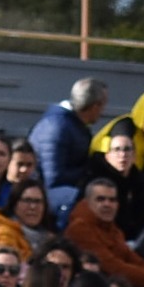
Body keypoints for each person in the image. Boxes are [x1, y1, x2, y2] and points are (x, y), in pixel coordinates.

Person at [29, 77, 108, 222]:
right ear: (95, 106)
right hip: (51, 203)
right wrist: (88, 171)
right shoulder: (57, 127)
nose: (103, 111)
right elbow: (53, 179)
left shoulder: (71, 125)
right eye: (103, 105)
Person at [86, 121, 144, 240]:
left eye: (127, 149)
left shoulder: (140, 182)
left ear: (134, 156)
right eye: (117, 149)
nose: (122, 154)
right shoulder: (96, 182)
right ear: (107, 156)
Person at [3, 182, 56, 260]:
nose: (33, 207)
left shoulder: (52, 241)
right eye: (27, 200)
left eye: (38, 201)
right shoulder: (3, 235)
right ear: (14, 204)